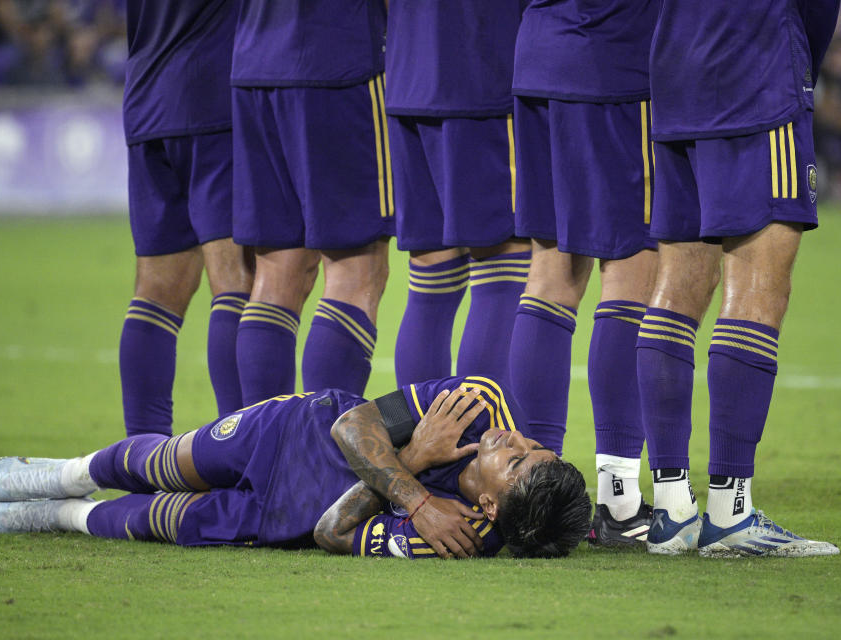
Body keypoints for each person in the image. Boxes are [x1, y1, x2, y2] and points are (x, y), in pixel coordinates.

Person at [637, 0, 841, 556]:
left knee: (675, 286)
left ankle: (671, 510)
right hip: (754, 64)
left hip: (674, 68)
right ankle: (731, 513)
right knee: (759, 285)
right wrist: (798, 66)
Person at [0, 379, 592, 559]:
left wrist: (406, 468)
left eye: (514, 458)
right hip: (288, 434)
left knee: (158, 522)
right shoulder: (477, 403)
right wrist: (417, 494)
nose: (513, 436)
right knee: (165, 461)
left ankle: (55, 515)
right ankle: (65, 473)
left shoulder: (464, 539)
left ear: (490, 508)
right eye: (539, 446)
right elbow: (351, 428)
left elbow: (331, 532)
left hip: (283, 515)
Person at [507, 0, 660, 548]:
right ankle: (619, 501)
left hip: (538, 55)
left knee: (549, 276)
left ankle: (530, 492)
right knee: (633, 272)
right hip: (615, 61)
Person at [231, 0, 394, 404]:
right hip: (337, 61)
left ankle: (263, 452)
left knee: (275, 275)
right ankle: (319, 450)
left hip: (254, 62)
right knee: (357, 273)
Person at [118, 0, 254, 437]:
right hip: (214, 99)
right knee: (237, 282)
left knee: (157, 291)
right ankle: (238, 452)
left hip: (146, 96)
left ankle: (140, 455)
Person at [385, 0, 532, 387]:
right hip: (482, 74)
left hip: (407, 78)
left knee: (431, 277)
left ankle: (418, 441)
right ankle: (479, 439)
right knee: (503, 267)